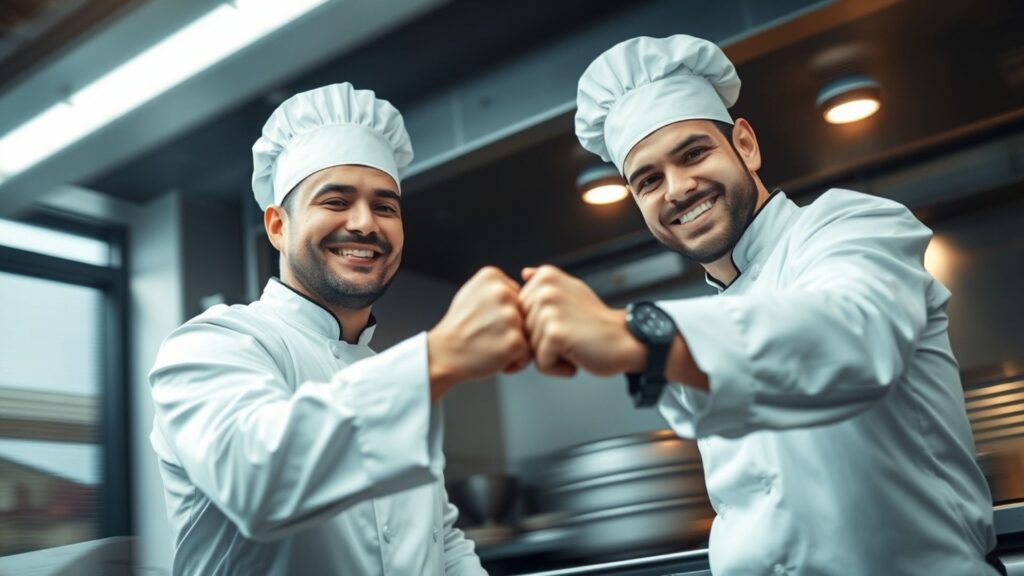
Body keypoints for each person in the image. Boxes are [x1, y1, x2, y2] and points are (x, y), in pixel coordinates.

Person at [518, 35, 1000, 575]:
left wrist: (639, 336)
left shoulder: (852, 226)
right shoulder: (707, 319)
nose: (676, 189)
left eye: (693, 153)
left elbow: (853, 337)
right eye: (648, 180)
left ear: (745, 144)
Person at [149, 83, 529, 575]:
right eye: (335, 200)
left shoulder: (392, 374)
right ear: (277, 227)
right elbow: (256, 482)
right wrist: (440, 355)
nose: (366, 223)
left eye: (386, 206)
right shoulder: (214, 344)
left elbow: (441, 539)